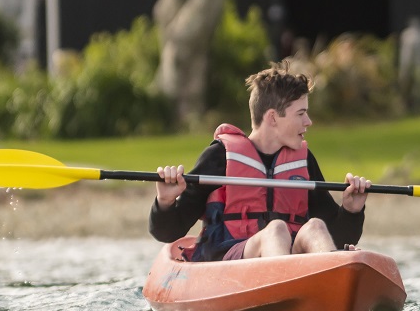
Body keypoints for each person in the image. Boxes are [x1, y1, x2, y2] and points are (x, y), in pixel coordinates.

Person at [149, 65, 372, 261]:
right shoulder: (219, 158)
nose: (308, 122)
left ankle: (328, 282)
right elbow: (168, 232)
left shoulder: (303, 161)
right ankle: (286, 287)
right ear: (273, 117)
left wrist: (352, 211)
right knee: (276, 230)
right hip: (228, 258)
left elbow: (339, 236)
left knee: (315, 227)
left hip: (289, 260)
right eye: (301, 113)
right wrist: (165, 201)